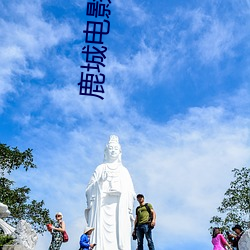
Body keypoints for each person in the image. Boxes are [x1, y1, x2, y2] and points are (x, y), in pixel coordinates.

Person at [85, 135, 136, 250]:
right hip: (101, 208)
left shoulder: (124, 171)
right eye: (111, 148)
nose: (113, 151)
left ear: (120, 152)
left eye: (115, 149)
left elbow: (131, 193)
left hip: (119, 209)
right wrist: (100, 181)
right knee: (100, 237)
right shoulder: (100, 169)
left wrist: (122, 192)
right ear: (106, 151)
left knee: (119, 237)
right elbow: (88, 190)